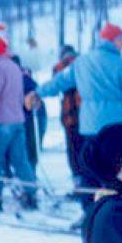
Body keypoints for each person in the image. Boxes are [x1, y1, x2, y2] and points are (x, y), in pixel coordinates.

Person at [30, 23, 122, 211]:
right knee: (117, 174)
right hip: (116, 129)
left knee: (91, 172)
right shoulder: (119, 65)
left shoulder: (82, 62)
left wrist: (37, 93)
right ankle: (119, 213)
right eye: (121, 40)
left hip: (89, 127)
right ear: (115, 40)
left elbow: (59, 82)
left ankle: (90, 213)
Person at [0, 34, 38, 211]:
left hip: (0, 121)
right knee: (21, 161)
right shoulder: (15, 67)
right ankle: (30, 194)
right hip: (18, 120)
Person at [51, 44, 83, 183]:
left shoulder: (59, 67)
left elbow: (55, 85)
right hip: (86, 114)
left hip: (69, 113)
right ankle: (87, 183)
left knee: (72, 149)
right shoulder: (83, 64)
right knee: (85, 149)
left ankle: (78, 182)